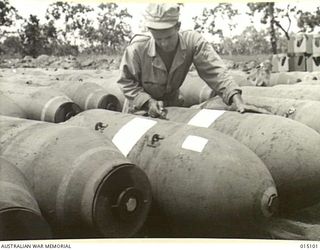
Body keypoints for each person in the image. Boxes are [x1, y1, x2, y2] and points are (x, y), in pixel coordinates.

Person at [117, 3, 263, 118]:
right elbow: (126, 82)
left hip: (173, 108)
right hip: (139, 111)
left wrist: (236, 100)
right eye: (158, 39)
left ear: (178, 27)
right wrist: (147, 102)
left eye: (168, 37)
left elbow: (216, 71)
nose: (164, 44)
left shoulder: (193, 42)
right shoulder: (137, 49)